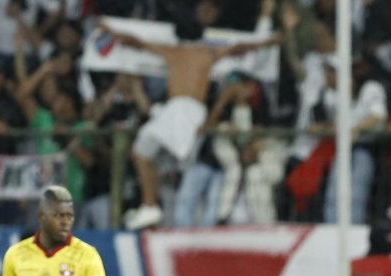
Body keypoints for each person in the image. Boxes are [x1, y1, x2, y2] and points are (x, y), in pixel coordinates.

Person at [100, 13, 278, 230]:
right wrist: (267, 42)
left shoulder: (172, 51)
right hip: (195, 114)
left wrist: (107, 30)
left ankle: (150, 205)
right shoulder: (208, 53)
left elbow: (134, 41)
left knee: (141, 152)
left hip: (178, 110)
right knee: (162, 162)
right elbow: (240, 47)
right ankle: (153, 208)